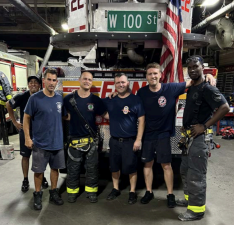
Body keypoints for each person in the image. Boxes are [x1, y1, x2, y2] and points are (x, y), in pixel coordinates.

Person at [136, 63, 216, 208]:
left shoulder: (171, 88)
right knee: (147, 164)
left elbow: (192, 81)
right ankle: (148, 192)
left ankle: (170, 194)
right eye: (150, 74)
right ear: (146, 77)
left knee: (166, 165)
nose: (153, 76)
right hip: (148, 135)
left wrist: (207, 76)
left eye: (155, 73)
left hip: (163, 134)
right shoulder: (141, 93)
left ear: (160, 75)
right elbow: (131, 103)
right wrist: (115, 94)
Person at [176, 56, 229, 221]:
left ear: (202, 68)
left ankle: (196, 210)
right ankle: (189, 200)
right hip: (190, 137)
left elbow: (224, 107)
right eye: (189, 67)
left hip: (199, 139)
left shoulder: (207, 88)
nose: (192, 70)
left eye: (195, 66)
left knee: (196, 175)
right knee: (185, 170)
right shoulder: (192, 87)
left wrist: (204, 126)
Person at [23, 68, 66, 210]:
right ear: (44, 80)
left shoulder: (60, 98)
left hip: (57, 143)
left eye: (54, 80)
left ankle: (54, 193)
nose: (52, 82)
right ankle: (37, 195)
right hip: (40, 143)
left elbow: (65, 116)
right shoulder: (34, 98)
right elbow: (26, 118)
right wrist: (27, 138)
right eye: (49, 79)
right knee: (39, 171)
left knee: (55, 169)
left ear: (57, 82)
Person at [63, 71, 107, 203]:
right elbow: (64, 115)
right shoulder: (68, 99)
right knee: (73, 168)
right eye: (85, 79)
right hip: (74, 140)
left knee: (92, 167)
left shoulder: (95, 100)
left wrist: (124, 116)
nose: (87, 81)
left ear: (91, 82)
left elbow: (106, 115)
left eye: (89, 79)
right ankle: (72, 192)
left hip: (91, 140)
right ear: (79, 80)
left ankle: (91, 192)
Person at [103, 73, 145, 204]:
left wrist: (138, 139)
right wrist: (111, 117)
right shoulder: (110, 99)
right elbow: (98, 108)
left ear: (128, 83)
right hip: (114, 140)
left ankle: (132, 192)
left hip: (130, 141)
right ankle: (115, 189)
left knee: (131, 168)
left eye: (123, 82)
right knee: (114, 167)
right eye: (118, 83)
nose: (120, 85)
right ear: (114, 85)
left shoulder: (136, 100)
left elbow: (142, 120)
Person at [6, 76, 49, 192]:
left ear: (40, 85)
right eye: (31, 82)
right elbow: (8, 104)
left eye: (36, 82)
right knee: (25, 156)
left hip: (40, 132)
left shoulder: (43, 96)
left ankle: (42, 177)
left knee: (40, 156)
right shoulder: (22, 96)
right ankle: (25, 180)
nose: (33, 84)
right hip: (26, 131)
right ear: (28, 85)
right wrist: (14, 122)